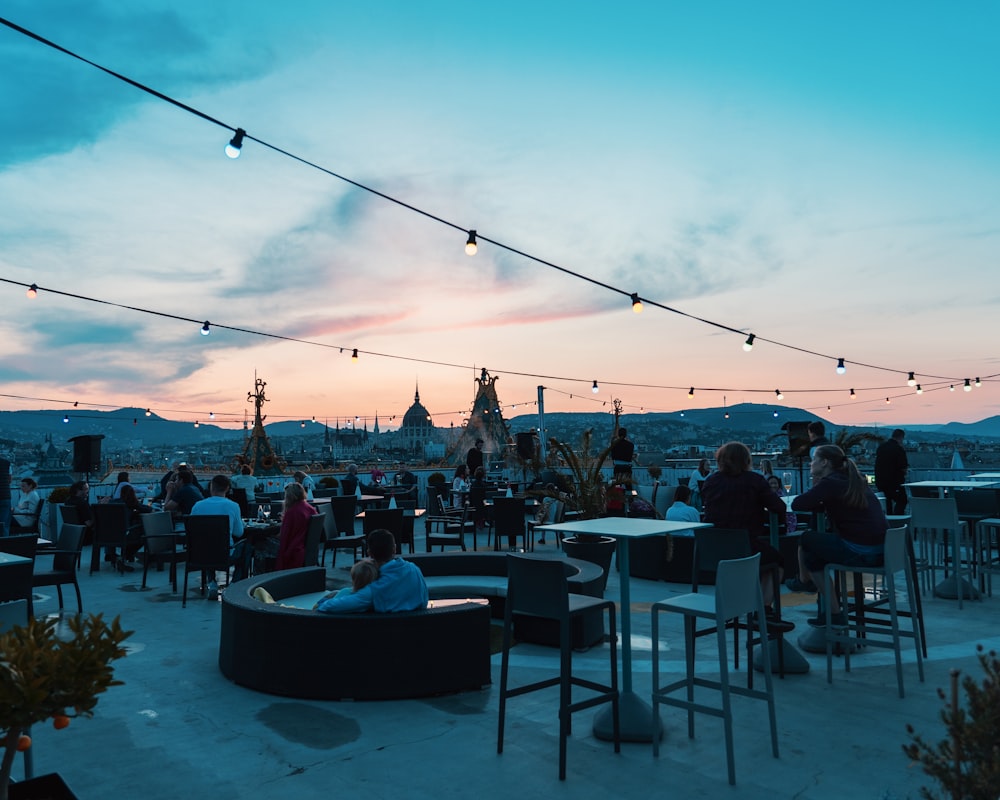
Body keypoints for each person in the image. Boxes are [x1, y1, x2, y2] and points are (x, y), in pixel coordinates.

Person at [792, 444, 888, 627]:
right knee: (814, 556)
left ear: (825, 462)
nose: (811, 464)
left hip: (861, 552)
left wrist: (817, 485)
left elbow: (798, 504)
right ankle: (833, 614)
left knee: (806, 538)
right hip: (883, 551)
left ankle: (805, 582)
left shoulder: (831, 482)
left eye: (814, 460)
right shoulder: (854, 479)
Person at [701, 441, 787, 602]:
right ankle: (764, 611)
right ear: (746, 461)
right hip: (745, 548)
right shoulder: (755, 481)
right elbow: (779, 507)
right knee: (777, 560)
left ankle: (745, 605)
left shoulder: (710, 481)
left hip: (714, 551)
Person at [316, 529, 428, 613]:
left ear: (369, 553)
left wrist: (323, 601)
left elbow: (329, 607)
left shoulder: (374, 591)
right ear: (394, 548)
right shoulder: (414, 570)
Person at [190, 474, 249, 587]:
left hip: (200, 554)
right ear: (227, 488)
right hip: (224, 555)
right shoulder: (233, 506)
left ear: (211, 487)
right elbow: (239, 533)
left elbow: (193, 532)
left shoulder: (198, 506)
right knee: (247, 546)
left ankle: (212, 582)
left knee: (207, 541)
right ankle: (236, 583)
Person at [274, 482, 317, 571]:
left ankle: (261, 577)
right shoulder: (310, 508)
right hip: (305, 548)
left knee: (260, 547)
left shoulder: (292, 512)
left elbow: (284, 537)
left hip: (293, 550)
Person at [874, 429, 909, 515]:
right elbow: (903, 467)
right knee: (902, 500)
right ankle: (897, 520)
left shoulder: (881, 447)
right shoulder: (898, 449)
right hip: (895, 482)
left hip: (881, 482)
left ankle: (889, 521)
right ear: (901, 437)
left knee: (887, 503)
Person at [0, 453, 10, 536]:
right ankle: (4, 545)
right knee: (4, 524)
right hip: (6, 496)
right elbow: (9, 479)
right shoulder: (7, 463)